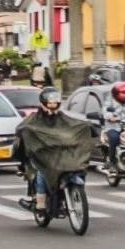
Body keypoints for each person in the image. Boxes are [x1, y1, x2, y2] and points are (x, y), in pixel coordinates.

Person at [13, 87, 91, 215]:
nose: (53, 106)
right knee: (41, 173)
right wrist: (24, 131)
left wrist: (88, 126)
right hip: (42, 155)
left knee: (77, 167)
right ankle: (40, 204)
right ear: (43, 103)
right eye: (50, 103)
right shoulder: (34, 118)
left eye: (55, 103)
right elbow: (21, 127)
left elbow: (74, 125)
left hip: (59, 155)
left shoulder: (62, 117)